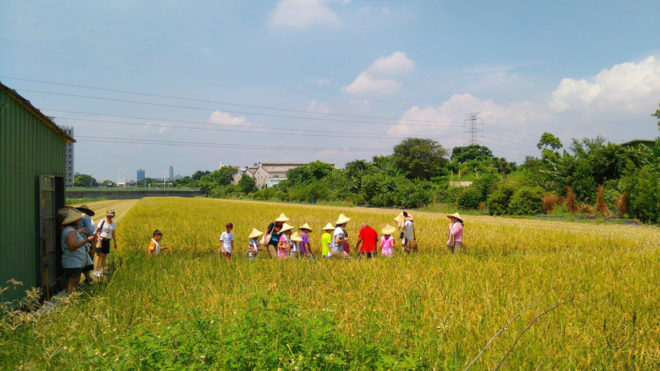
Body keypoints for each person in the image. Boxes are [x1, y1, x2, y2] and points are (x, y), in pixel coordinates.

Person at [60, 208, 95, 293]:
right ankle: (69, 299)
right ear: (74, 221)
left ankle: (70, 298)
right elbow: (72, 246)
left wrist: (80, 231)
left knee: (75, 281)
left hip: (73, 262)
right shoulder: (70, 231)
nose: (80, 220)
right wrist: (86, 240)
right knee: (73, 281)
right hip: (72, 262)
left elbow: (73, 237)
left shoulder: (70, 230)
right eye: (78, 219)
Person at [94, 210, 117, 277]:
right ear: (107, 215)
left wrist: (115, 242)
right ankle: (95, 271)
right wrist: (99, 239)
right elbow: (97, 231)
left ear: (113, 216)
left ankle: (102, 269)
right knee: (98, 255)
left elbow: (113, 234)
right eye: (109, 215)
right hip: (100, 240)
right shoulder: (102, 221)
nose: (110, 217)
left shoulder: (113, 224)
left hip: (107, 241)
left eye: (111, 215)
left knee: (104, 255)